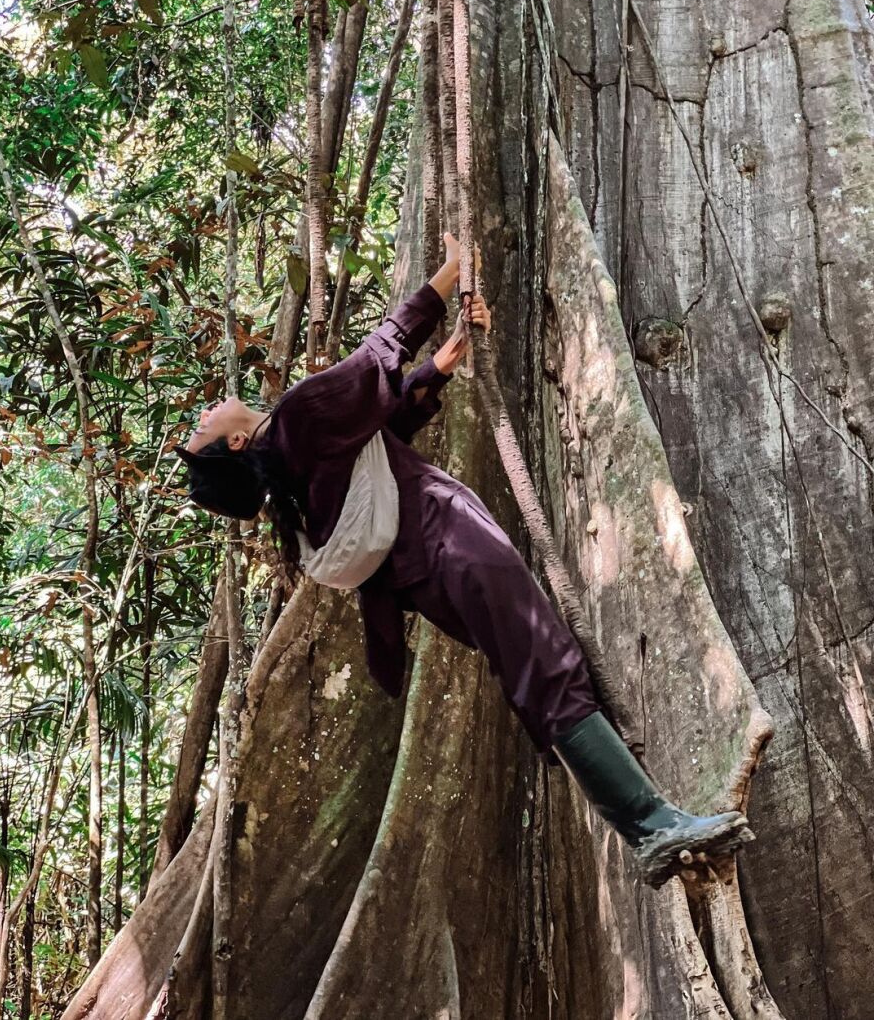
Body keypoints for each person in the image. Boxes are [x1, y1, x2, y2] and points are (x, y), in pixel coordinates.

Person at [176, 232, 753, 887]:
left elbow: (374, 443)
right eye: (203, 428)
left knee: (538, 662)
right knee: (544, 664)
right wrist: (451, 272)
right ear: (234, 440)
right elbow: (377, 357)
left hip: (427, 571)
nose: (204, 410)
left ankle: (646, 808)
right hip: (445, 536)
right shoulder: (298, 417)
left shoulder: (291, 464)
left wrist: (441, 365)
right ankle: (650, 826)